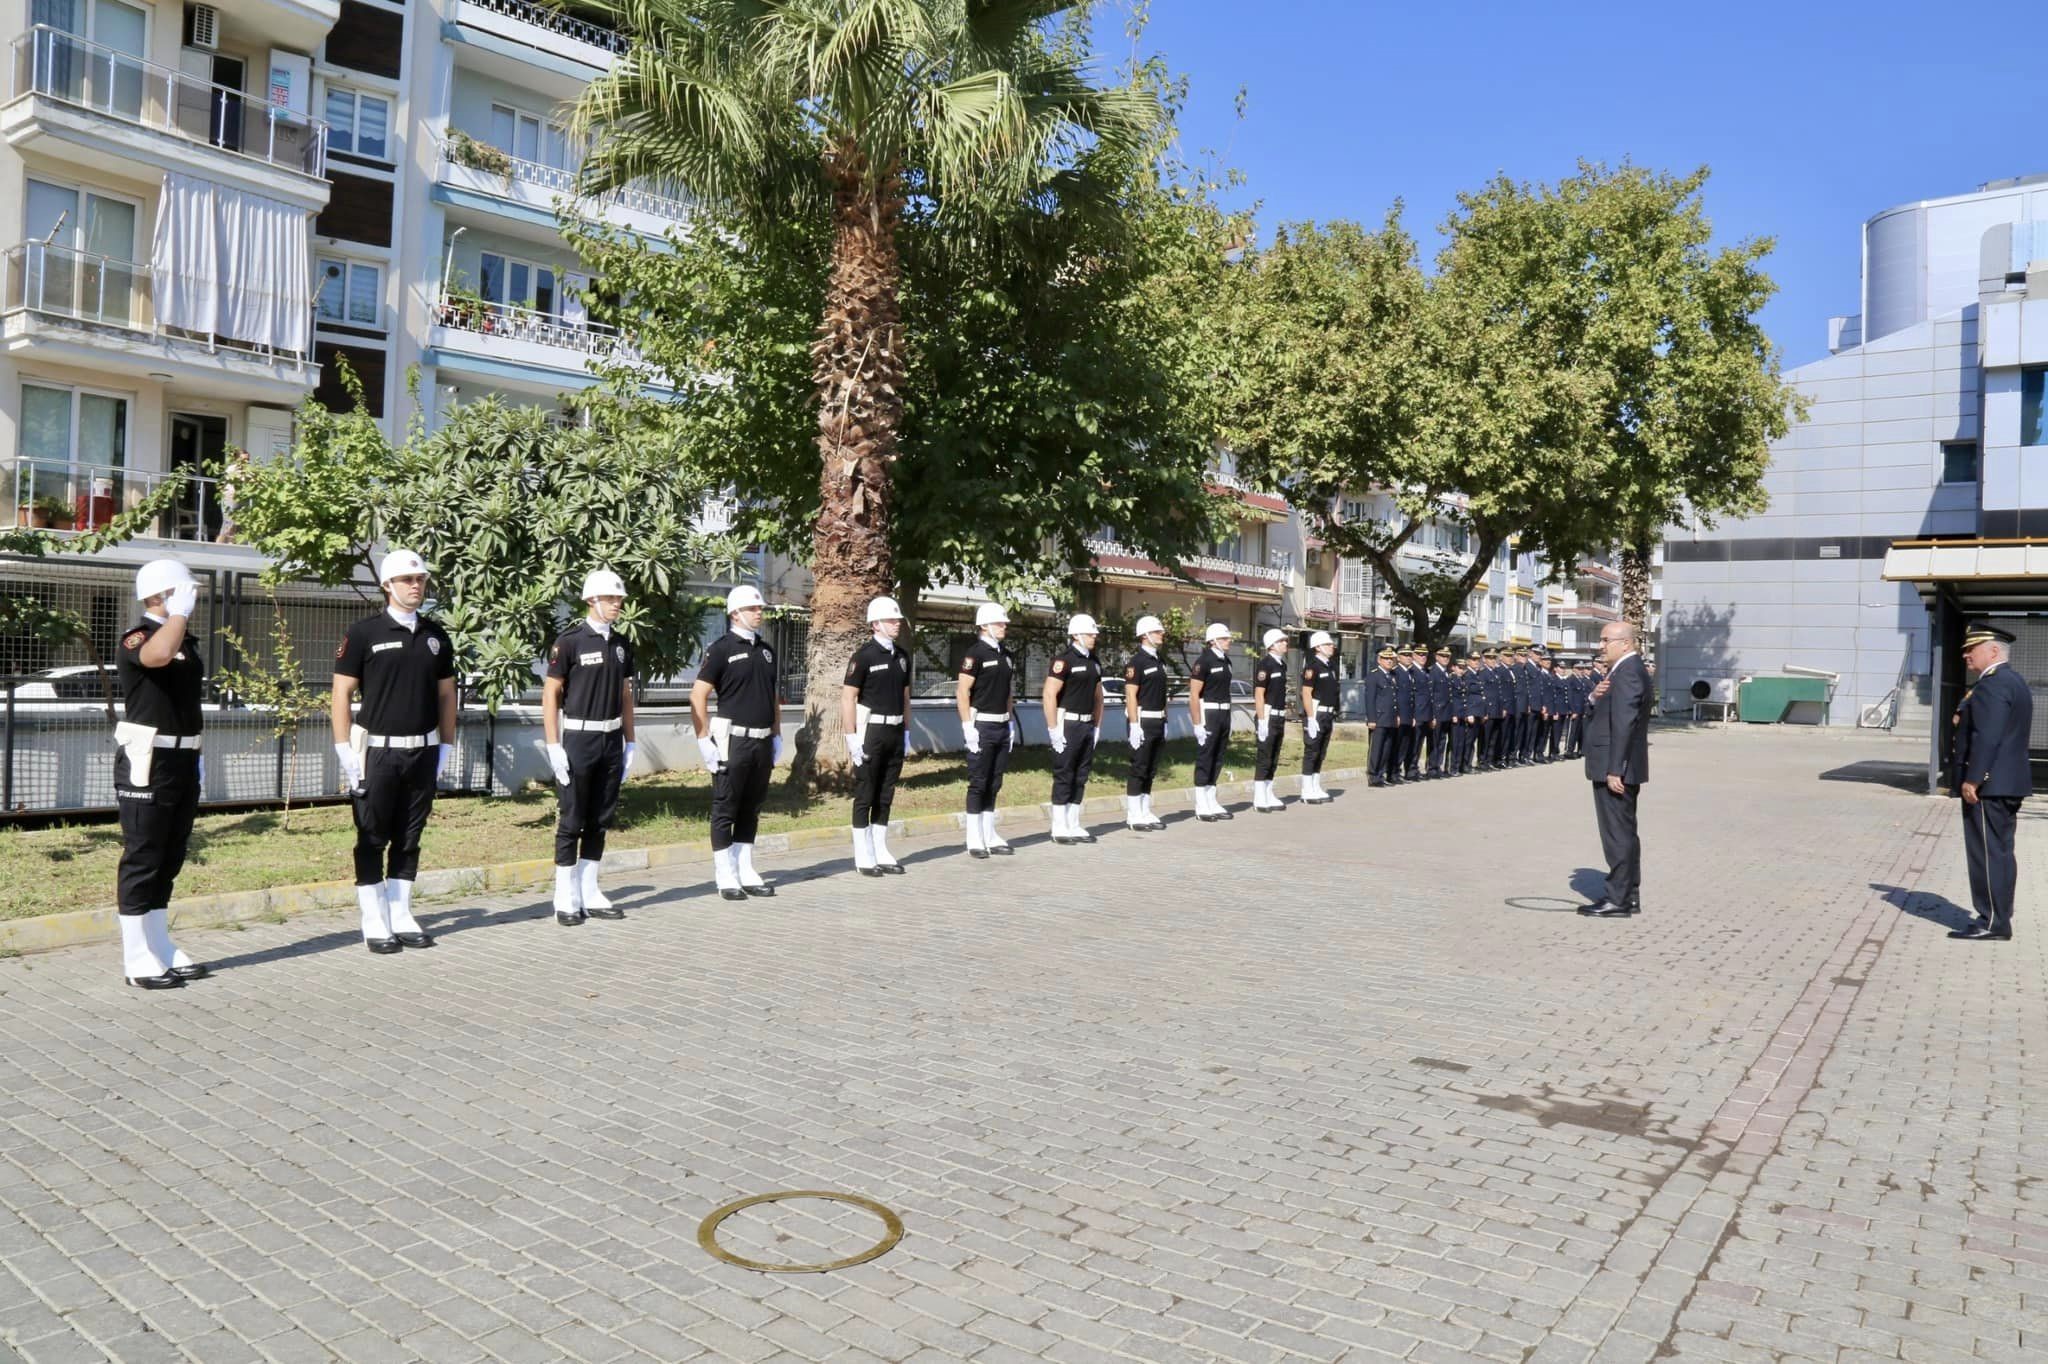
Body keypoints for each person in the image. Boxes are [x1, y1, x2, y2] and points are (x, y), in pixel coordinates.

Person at [332, 550, 456, 955]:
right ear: (387, 585)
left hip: (422, 751)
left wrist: (447, 744)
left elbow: (446, 695)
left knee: (410, 836)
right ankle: (374, 918)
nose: (415, 586)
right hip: (377, 753)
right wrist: (342, 746)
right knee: (372, 836)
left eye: (419, 579)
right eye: (406, 580)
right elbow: (341, 692)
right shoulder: (365, 633)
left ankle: (400, 912)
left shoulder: (437, 636)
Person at [111, 559, 210, 989]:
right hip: (148, 761)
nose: (192, 599)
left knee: (170, 857)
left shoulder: (185, 638)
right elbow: (158, 655)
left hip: (184, 758)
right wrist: (179, 612)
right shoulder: (141, 637)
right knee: (144, 856)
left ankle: (160, 945)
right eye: (183, 591)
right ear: (158, 594)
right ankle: (136, 958)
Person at [542, 570, 638, 925]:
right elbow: (551, 693)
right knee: (572, 818)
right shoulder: (570, 642)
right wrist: (553, 744)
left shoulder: (622, 643)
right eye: (611, 599)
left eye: (619, 599)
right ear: (591, 600)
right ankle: (564, 894)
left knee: (600, 817)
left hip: (611, 739)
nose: (617, 604)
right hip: (579, 738)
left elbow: (625, 694)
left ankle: (589, 888)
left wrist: (630, 740)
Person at [692, 585, 782, 901]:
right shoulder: (720, 649)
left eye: (760, 609)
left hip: (761, 740)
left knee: (751, 807)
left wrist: (777, 733)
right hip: (732, 739)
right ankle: (724, 873)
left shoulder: (767, 650)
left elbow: (772, 696)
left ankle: (744, 867)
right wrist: (704, 739)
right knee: (726, 806)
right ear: (735, 613)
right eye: (753, 609)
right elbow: (698, 695)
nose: (759, 613)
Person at [1950, 620, 2032, 942]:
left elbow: (1988, 736)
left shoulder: (1993, 685)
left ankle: (1993, 922)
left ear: (1993, 650)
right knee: (1999, 852)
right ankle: (1999, 916)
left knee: (1986, 854)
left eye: (1971, 649)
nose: (1966, 656)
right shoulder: (2013, 681)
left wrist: (1974, 779)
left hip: (1990, 786)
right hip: (2006, 783)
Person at [1579, 622, 1650, 917]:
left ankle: (1617, 900)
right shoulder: (1621, 671)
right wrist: (1594, 697)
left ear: (1625, 643)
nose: (1600, 645)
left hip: (1615, 767)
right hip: (1616, 764)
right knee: (1625, 833)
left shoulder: (1628, 671)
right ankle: (1628, 894)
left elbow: (1624, 723)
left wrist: (1615, 769)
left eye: (1605, 640)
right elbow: (1611, 713)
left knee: (1617, 835)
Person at [843, 595, 913, 877]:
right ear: (876, 624)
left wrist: (907, 731)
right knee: (866, 792)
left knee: (886, 793)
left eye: (897, 619)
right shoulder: (863, 656)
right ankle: (863, 854)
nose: (897, 624)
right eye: (891, 620)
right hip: (871, 730)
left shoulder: (903, 657)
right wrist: (852, 737)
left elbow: (906, 697)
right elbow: (848, 697)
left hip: (895, 730)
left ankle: (880, 848)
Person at [957, 602, 1020, 858]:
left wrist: (1011, 721)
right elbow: (962, 691)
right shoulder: (975, 655)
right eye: (998, 623)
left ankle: (989, 833)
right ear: (984, 626)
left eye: (1004, 623)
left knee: (995, 781)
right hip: (981, 723)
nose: (1004, 626)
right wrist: (967, 726)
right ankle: (974, 838)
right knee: (979, 781)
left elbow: (1007, 691)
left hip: (1002, 723)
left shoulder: (1007, 654)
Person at [1044, 613, 1105, 845]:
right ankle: (1059, 826)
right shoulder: (1064, 660)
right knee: (1064, 774)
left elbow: (1098, 696)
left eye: (1094, 633)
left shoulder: (1094, 661)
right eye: (1090, 633)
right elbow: (1049, 694)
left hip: (1087, 723)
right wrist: (1053, 729)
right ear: (1076, 634)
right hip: (1067, 723)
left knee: (1081, 774)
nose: (1094, 637)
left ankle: (1073, 823)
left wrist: (1097, 726)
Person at [1122, 615, 1171, 831]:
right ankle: (1133, 814)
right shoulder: (1137, 662)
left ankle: (1145, 809)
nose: (1161, 635)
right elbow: (1131, 695)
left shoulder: (1159, 661)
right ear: (1145, 635)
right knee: (1139, 767)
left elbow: (1162, 694)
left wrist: (1165, 718)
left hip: (1158, 719)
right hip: (1142, 720)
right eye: (1157, 632)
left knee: (1151, 768)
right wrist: (1134, 724)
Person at [1189, 622, 1236, 820]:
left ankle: (1212, 799)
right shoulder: (1204, 661)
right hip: (1209, 713)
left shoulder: (1226, 661)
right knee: (1206, 757)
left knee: (1218, 757)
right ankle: (1201, 803)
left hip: (1224, 713)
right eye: (1225, 638)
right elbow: (1194, 694)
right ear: (1213, 641)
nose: (1229, 641)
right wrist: (1198, 724)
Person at [1298, 631, 1340, 804]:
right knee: (1312, 751)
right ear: (1317, 647)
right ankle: (1306, 789)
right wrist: (1311, 717)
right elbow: (1306, 693)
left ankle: (1315, 785)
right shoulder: (1312, 667)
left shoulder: (1331, 666)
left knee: (1321, 752)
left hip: (1328, 713)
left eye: (1331, 644)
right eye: (1328, 644)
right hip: (1316, 713)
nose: (1332, 647)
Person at [1251, 628, 1290, 812]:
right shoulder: (1265, 664)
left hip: (1279, 715)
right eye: (1281, 641)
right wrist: (1261, 720)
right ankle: (1259, 796)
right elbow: (1259, 694)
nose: (1285, 644)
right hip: (1267, 714)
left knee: (1274, 756)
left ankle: (1268, 791)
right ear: (1272, 645)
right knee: (1264, 756)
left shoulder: (1282, 665)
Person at [1364, 646, 1398, 787]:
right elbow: (1370, 699)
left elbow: (1394, 699)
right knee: (1376, 748)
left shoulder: (1392, 676)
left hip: (1390, 718)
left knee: (1386, 749)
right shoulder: (1374, 675)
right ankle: (1372, 775)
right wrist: (1371, 718)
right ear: (1379, 659)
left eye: (1391, 658)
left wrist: (1396, 716)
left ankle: (1380, 774)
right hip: (1378, 718)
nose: (1389, 661)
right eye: (1386, 658)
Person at [1392, 645, 1418, 783]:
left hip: (1408, 715)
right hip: (1400, 714)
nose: (1408, 657)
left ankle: (1397, 771)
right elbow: (1395, 696)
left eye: (1410, 655)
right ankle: (1393, 772)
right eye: (1405, 655)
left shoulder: (1409, 673)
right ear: (1398, 657)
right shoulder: (1396, 672)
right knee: (1397, 745)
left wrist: (1413, 715)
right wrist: (1396, 714)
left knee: (1404, 745)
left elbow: (1411, 697)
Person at [1425, 646, 1452, 778]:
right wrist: (1433, 715)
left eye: (1447, 656)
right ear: (1436, 657)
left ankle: (1437, 766)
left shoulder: (1446, 672)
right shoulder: (1433, 671)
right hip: (1437, 712)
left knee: (1442, 741)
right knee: (1434, 741)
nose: (1445, 658)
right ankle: (1431, 767)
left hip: (1446, 712)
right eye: (1442, 656)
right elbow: (1430, 695)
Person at [1449, 654, 1475, 776]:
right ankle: (1452, 767)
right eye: (1459, 667)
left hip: (1462, 714)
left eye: (1464, 668)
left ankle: (1458, 766)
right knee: (1454, 743)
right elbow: (1451, 698)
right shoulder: (1451, 679)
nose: (1462, 670)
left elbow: (1464, 699)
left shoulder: (1462, 680)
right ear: (1453, 667)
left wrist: (1466, 713)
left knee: (1460, 742)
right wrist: (1453, 713)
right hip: (1455, 715)